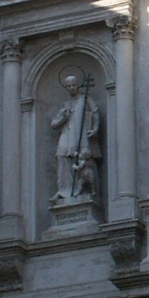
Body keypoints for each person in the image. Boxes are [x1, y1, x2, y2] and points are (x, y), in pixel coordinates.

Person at [48, 72, 102, 204]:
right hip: (67, 133)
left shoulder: (85, 99)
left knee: (81, 160)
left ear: (78, 86)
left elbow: (95, 113)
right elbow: (54, 124)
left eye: (74, 85)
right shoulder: (65, 104)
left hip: (81, 133)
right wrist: (63, 118)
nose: (71, 88)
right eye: (69, 86)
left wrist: (94, 129)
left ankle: (82, 190)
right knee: (62, 156)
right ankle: (64, 190)